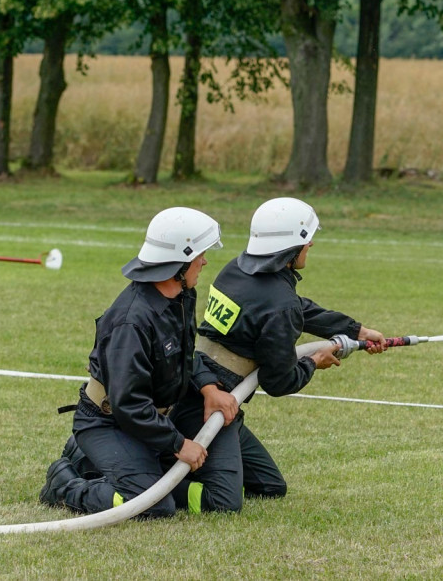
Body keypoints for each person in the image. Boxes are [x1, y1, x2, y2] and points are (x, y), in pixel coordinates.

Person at [39, 207, 243, 518]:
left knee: (220, 498)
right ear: (179, 262)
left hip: (153, 421)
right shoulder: (131, 322)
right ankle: (64, 484)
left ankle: (99, 461)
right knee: (155, 506)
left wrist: (207, 387)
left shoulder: (181, 296)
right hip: (110, 423)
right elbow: (129, 405)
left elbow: (185, 356)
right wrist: (179, 444)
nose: (204, 262)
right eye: (200, 255)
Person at [196, 197, 387, 499]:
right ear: (292, 247)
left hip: (203, 386)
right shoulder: (279, 303)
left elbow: (297, 307)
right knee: (224, 499)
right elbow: (278, 382)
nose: (311, 244)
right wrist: (314, 361)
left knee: (271, 487)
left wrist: (356, 330)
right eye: (307, 239)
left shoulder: (238, 270)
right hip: (209, 407)